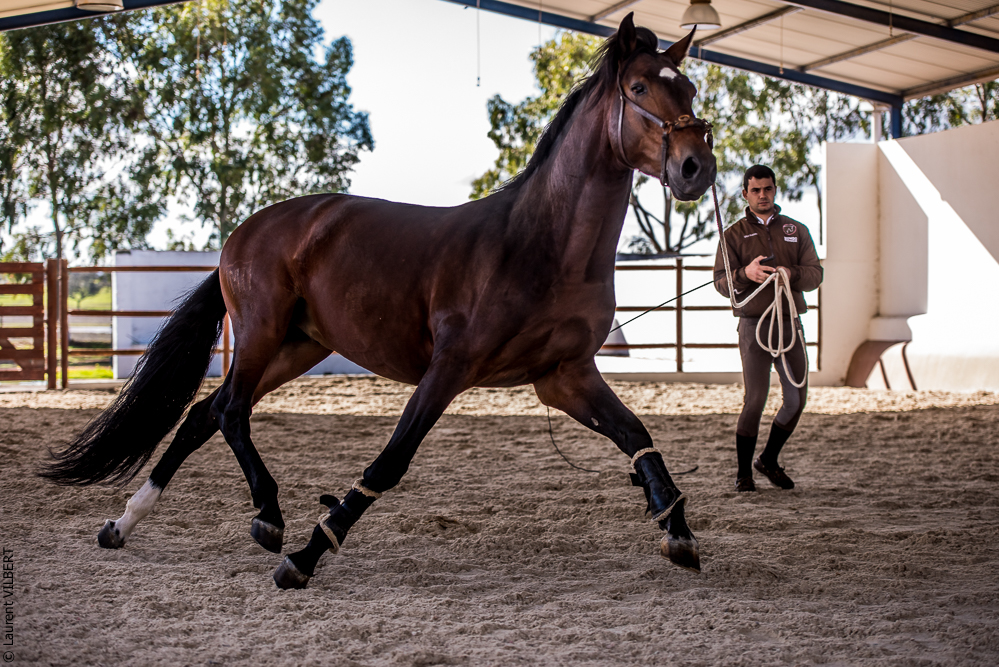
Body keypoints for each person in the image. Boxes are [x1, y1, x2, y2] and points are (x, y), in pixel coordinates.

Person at [713, 165, 823, 492]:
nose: (763, 195)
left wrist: (791, 272)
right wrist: (745, 273)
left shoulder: (796, 229)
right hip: (753, 326)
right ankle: (743, 473)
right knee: (755, 400)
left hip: (789, 322)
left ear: (775, 191)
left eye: (768, 189)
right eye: (756, 190)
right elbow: (721, 283)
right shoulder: (731, 235)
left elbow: (816, 274)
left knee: (796, 399)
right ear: (745, 193)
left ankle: (769, 459)